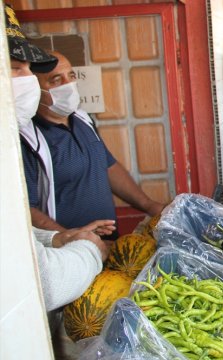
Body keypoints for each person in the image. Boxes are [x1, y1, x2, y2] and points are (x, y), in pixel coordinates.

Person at [5, 0, 112, 312]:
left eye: (27, 69)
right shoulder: (25, 140)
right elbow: (41, 286)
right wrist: (88, 250)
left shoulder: (82, 119)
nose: (25, 79)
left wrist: (56, 240)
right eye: (14, 68)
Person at [25, 51, 164, 237]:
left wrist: (149, 205)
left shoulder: (83, 119)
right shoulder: (28, 139)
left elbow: (107, 166)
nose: (69, 85)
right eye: (56, 80)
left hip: (108, 245)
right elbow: (26, 210)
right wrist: (72, 240)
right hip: (67, 254)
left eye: (71, 76)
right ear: (34, 88)